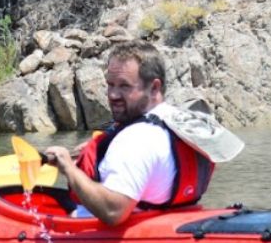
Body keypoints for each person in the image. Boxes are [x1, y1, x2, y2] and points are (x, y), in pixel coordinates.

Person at [43, 42, 213, 226]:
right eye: (110, 84)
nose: (113, 95)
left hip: (115, 239)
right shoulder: (180, 122)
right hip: (174, 219)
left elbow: (113, 212)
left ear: (154, 87)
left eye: (124, 86)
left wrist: (69, 169)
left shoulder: (134, 140)